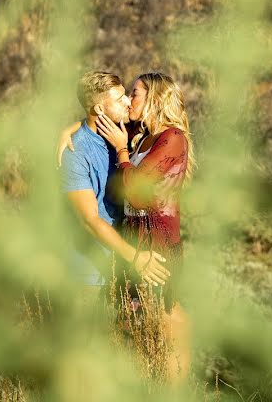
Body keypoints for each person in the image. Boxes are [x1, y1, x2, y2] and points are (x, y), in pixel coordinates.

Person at [60, 72, 194, 383]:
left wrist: (122, 151)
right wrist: (67, 131)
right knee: (135, 323)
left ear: (154, 101)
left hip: (157, 242)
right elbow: (92, 119)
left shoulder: (170, 138)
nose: (128, 101)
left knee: (168, 319)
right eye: (125, 96)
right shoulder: (140, 132)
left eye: (133, 94)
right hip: (133, 241)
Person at [61, 71, 171, 303]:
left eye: (127, 95)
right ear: (100, 109)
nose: (128, 101)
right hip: (88, 275)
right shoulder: (77, 152)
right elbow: (89, 220)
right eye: (120, 99)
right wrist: (136, 258)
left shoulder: (120, 135)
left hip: (119, 268)